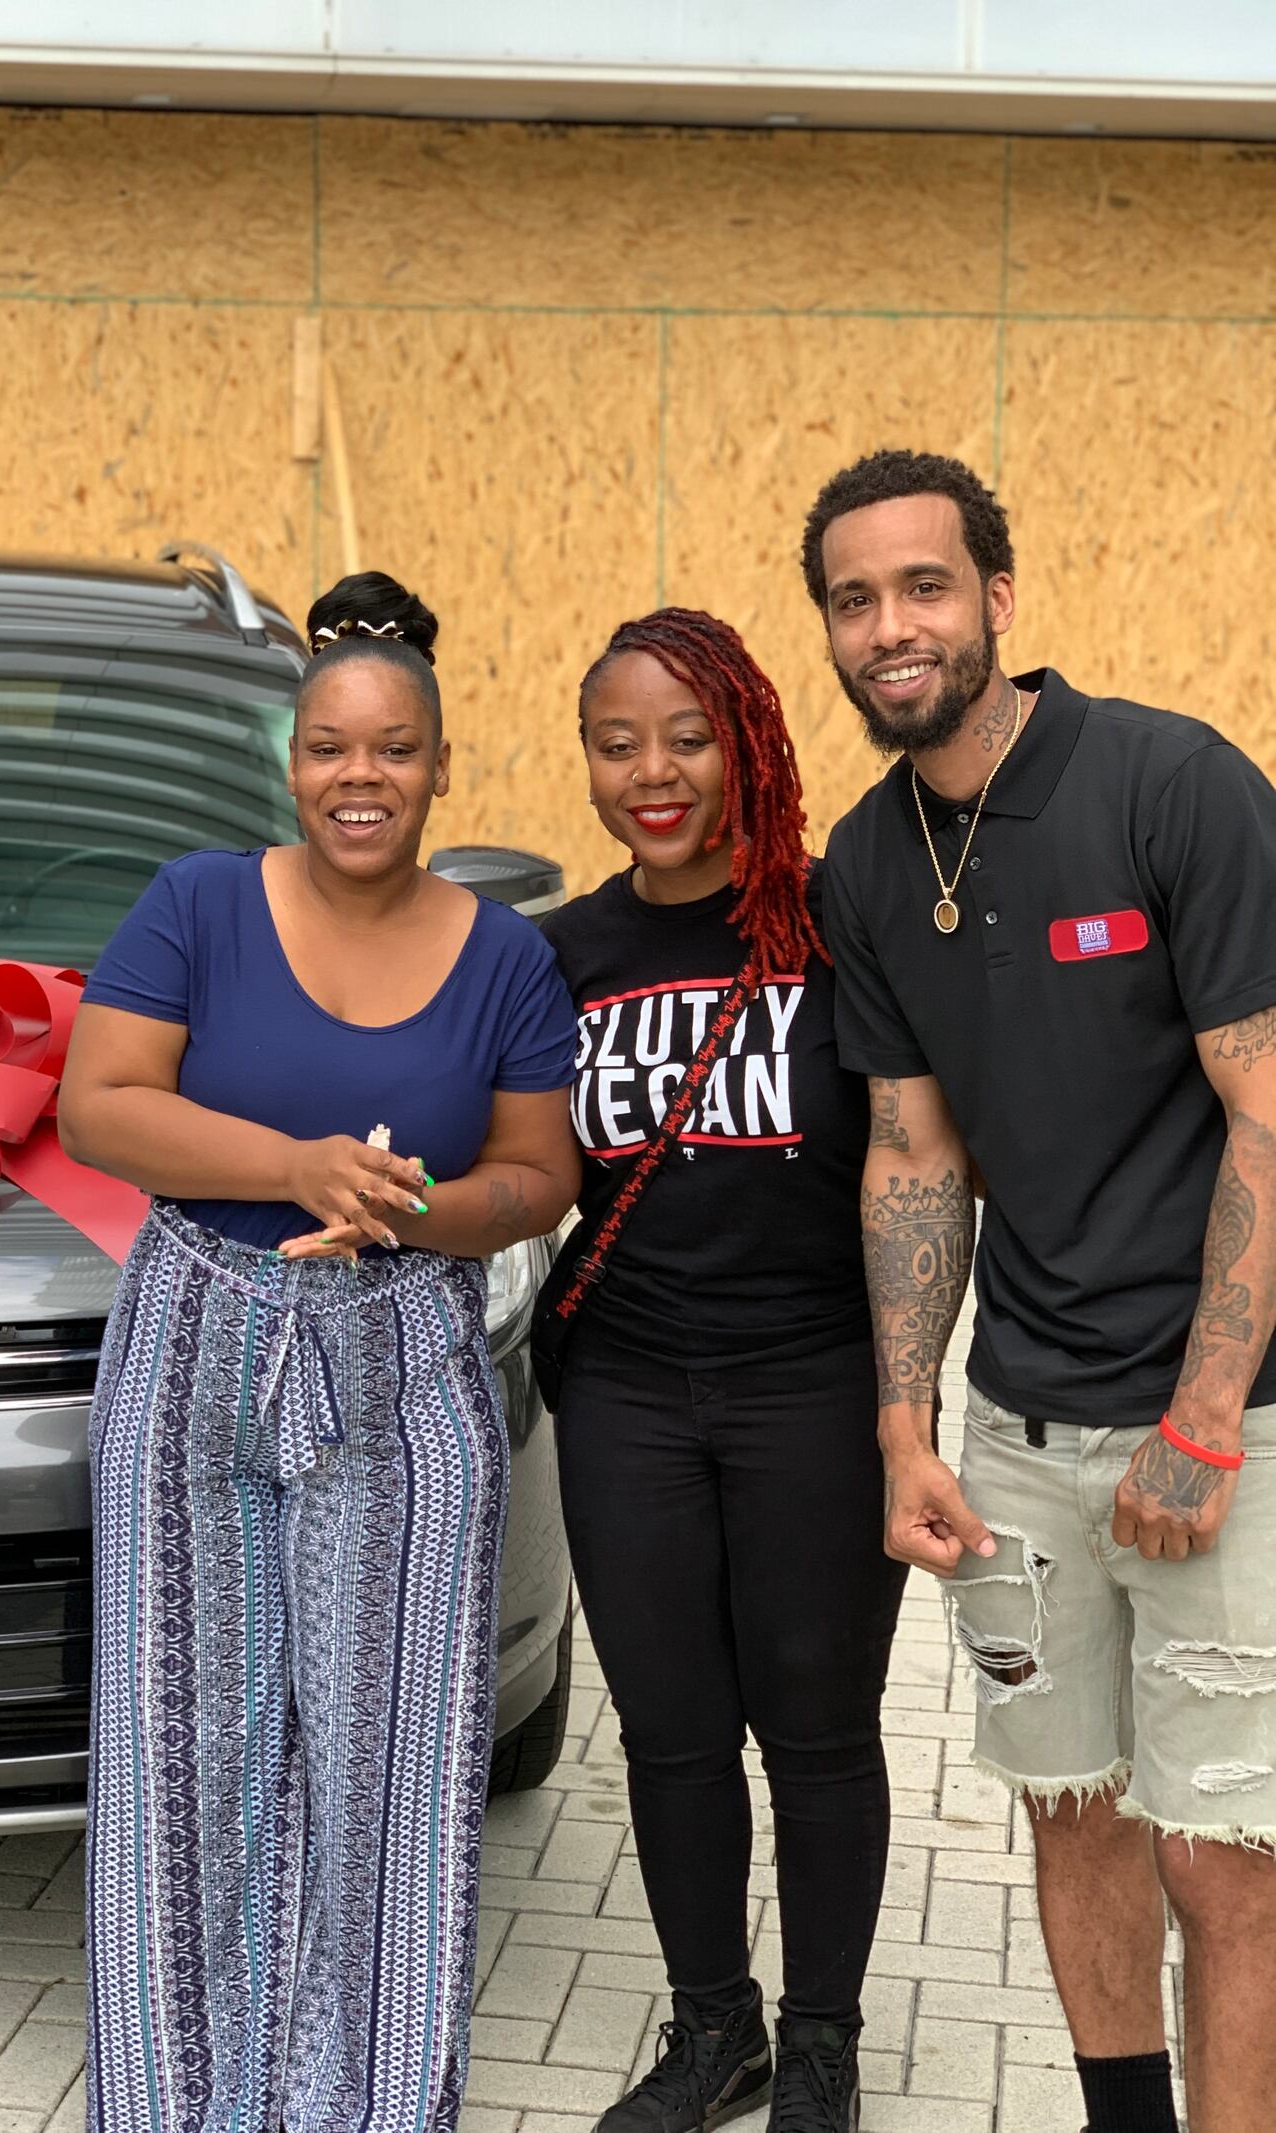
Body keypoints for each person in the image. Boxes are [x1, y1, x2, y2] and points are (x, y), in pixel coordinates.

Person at [59, 571, 580, 2133]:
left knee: (390, 1752)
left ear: (441, 766)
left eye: (395, 749)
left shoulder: (504, 958)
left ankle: (370, 2102)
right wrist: (297, 1165)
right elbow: (99, 1106)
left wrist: (415, 1207)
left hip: (404, 1350)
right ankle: (184, 2101)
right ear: (291, 763)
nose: (363, 776)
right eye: (332, 748)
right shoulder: (197, 905)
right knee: (186, 1745)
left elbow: (540, 1174)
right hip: (196, 1338)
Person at [808, 448, 1276, 2133]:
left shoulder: (1172, 785)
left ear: (997, 598)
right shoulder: (866, 863)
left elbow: (1269, 1111)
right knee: (1073, 1808)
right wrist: (905, 1428)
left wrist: (1203, 1417)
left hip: (1227, 1430)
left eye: (924, 586)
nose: (891, 626)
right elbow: (913, 1155)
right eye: (854, 600)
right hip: (1017, 1433)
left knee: (1222, 1855)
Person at [539, 608, 908, 2133]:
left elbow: (914, 1149)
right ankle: (715, 2032)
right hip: (626, 1391)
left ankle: (820, 2043)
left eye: (688, 737)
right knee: (671, 1731)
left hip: (811, 1383)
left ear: (749, 741)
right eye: (618, 743)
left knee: (818, 1731)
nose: (654, 771)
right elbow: (519, 1161)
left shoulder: (833, 924)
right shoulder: (563, 952)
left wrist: (912, 1404)